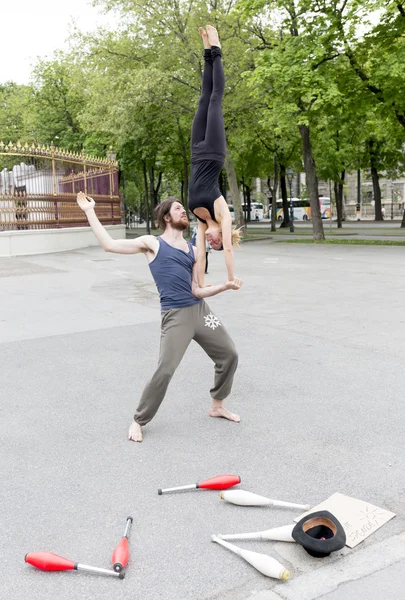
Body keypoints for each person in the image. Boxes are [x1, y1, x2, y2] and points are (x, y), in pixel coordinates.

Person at [76, 192, 242, 443]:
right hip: (176, 317)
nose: (183, 212)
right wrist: (89, 211)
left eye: (183, 209)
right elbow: (109, 244)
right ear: (166, 217)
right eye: (178, 209)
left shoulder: (193, 248)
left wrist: (225, 286)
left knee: (230, 354)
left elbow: (198, 289)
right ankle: (138, 419)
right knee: (165, 370)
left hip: (201, 311)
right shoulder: (152, 244)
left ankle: (217, 405)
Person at [188, 25, 241, 286]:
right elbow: (229, 251)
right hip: (214, 152)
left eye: (214, 244)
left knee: (203, 99)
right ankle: (217, 49)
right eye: (218, 241)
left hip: (196, 153)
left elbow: (199, 254)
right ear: (225, 233)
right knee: (215, 99)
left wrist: (199, 283)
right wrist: (230, 279)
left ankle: (206, 51)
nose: (213, 241)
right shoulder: (222, 214)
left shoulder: (200, 221)